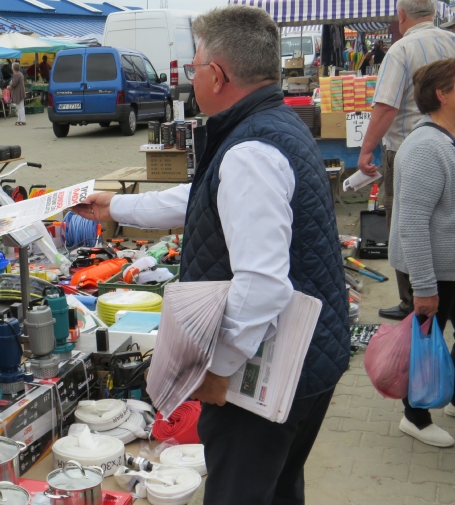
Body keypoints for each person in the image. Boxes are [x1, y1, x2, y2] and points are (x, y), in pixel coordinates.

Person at [73, 6, 348, 504]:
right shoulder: (272, 125)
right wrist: (116, 205)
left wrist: (217, 368)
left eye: (194, 66)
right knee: (279, 489)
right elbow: (209, 195)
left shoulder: (250, 149)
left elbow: (262, 285)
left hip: (266, 373)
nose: (190, 77)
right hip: (309, 360)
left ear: (217, 75)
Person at [356, 0, 455, 321]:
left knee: (406, 221)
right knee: (440, 219)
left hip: (407, 147)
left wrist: (366, 150)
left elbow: (386, 106)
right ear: (433, 13)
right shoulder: (451, 41)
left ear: (401, 15)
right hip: (444, 142)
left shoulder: (401, 49)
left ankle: (413, 300)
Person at [389, 59, 455, 447]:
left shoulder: (445, 140)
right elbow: (412, 223)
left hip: (448, 268)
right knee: (425, 347)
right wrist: (425, 288)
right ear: (442, 94)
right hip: (433, 271)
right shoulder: (426, 147)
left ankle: (450, 393)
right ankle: (414, 417)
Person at [6, 62, 26, 126]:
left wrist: (9, 87)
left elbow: (14, 84)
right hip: (20, 92)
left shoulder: (16, 75)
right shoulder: (20, 74)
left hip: (18, 93)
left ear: (13, 68)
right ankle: (20, 120)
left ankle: (22, 120)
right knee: (20, 107)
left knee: (19, 107)